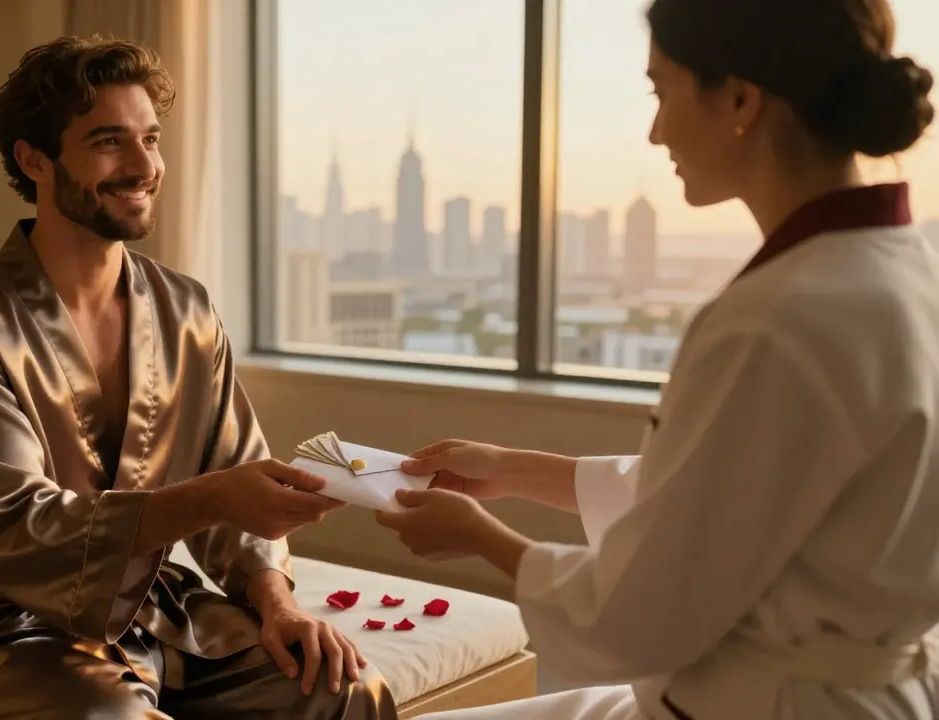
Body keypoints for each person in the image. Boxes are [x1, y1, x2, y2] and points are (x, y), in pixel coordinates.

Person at [376, 1, 939, 718]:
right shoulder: (904, 270)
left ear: (739, 98)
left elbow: (641, 615)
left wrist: (482, 539)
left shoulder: (779, 320)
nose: (654, 130)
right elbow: (732, 494)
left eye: (661, 91)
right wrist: (509, 468)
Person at [0, 36, 396, 719]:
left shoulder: (185, 311)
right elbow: (16, 532)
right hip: (3, 629)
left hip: (159, 612)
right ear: (34, 159)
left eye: (151, 139)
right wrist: (210, 497)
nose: (143, 165)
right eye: (109, 141)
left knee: (342, 691)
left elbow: (235, 477)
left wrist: (277, 602)